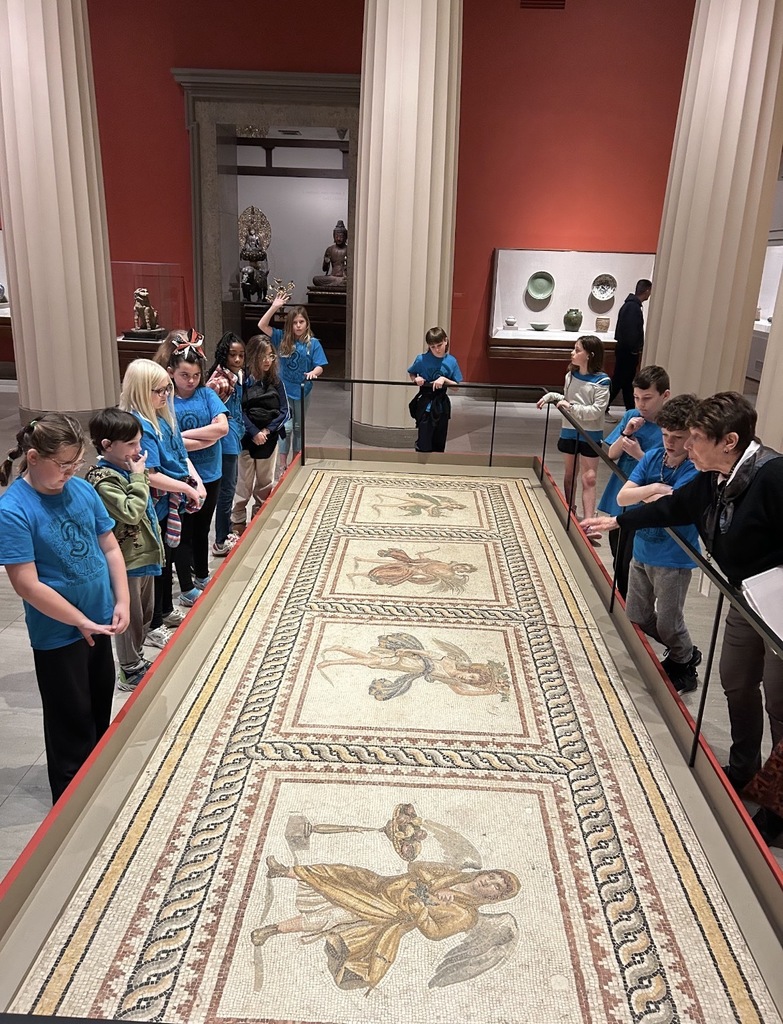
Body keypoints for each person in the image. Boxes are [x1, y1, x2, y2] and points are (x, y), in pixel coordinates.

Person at [583, 392, 783, 843]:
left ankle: (778, 804)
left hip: (779, 609)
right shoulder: (713, 478)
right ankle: (744, 768)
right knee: (735, 680)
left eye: (696, 438)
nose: (687, 446)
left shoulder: (773, 476)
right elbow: (672, 507)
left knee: (780, 702)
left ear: (729, 441)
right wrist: (618, 522)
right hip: (746, 599)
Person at [0, 414, 130, 802]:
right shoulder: (13, 509)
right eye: (63, 465)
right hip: (58, 634)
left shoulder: (81, 490)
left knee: (98, 708)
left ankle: (95, 789)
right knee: (70, 722)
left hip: (98, 622)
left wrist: (122, 599)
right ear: (34, 458)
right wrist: (79, 620)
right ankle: (71, 805)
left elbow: (109, 546)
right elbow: (27, 584)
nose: (71, 472)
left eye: (76, 463)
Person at [250, 855, 520, 992]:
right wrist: (433, 887)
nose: (489, 882)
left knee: (336, 913)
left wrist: (421, 906)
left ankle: (271, 930)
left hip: (388, 911)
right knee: (342, 873)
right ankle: (285, 871)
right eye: (493, 876)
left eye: (496, 887)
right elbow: (416, 866)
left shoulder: (466, 914)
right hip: (383, 885)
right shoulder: (452, 874)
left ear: (494, 898)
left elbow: (434, 932)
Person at [615, 394, 702, 692]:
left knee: (668, 621)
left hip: (673, 558)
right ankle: (686, 651)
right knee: (637, 614)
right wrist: (654, 488)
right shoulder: (653, 457)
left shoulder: (694, 469)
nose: (670, 442)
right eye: (666, 434)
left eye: (678, 437)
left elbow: (674, 505)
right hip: (642, 550)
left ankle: (683, 663)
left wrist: (649, 496)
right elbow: (623, 497)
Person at [119, 359, 204, 645]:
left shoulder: (163, 417)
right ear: (141, 390)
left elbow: (180, 454)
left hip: (171, 501)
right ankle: (154, 622)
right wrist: (186, 487)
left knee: (167, 563)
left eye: (168, 389)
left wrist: (194, 481)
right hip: (153, 506)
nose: (166, 395)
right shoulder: (139, 425)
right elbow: (151, 475)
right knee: (156, 566)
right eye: (159, 391)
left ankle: (165, 609)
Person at [86, 408, 165, 692]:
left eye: (139, 442)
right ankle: (129, 668)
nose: (138, 449)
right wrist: (140, 478)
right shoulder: (104, 479)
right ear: (107, 445)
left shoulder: (126, 471)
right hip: (126, 559)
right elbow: (131, 512)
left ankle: (137, 658)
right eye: (131, 444)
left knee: (144, 614)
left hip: (143, 554)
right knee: (128, 617)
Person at [158, 332, 229, 601]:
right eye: (185, 375)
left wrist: (181, 438)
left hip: (211, 472)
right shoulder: (166, 401)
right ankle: (187, 587)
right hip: (182, 475)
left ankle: (202, 574)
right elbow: (167, 441)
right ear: (171, 373)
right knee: (183, 532)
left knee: (202, 529)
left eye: (196, 375)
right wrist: (204, 437)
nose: (191, 381)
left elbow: (221, 428)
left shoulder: (207, 394)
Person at [597, 364, 671, 599]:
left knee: (631, 560)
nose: (641, 404)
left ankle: (630, 604)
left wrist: (640, 454)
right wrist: (626, 433)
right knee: (617, 553)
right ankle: (622, 599)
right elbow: (612, 453)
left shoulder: (669, 430)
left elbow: (665, 472)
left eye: (647, 398)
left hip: (643, 500)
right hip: (621, 492)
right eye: (637, 398)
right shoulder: (631, 416)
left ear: (664, 395)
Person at [536, 335, 610, 536]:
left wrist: (571, 407)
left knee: (589, 477)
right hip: (569, 430)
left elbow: (596, 411)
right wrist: (553, 397)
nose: (572, 353)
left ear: (590, 355)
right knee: (569, 475)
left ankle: (589, 522)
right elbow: (568, 399)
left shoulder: (602, 381)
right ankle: (570, 511)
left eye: (577, 350)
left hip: (590, 433)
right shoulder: (571, 375)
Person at [257, 295, 327, 472]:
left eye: (301, 322)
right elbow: (262, 325)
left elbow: (320, 365)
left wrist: (314, 372)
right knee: (286, 427)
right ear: (290, 324)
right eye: (295, 322)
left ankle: (296, 461)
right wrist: (274, 307)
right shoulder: (281, 338)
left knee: (298, 427)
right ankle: (283, 465)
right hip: (284, 390)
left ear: (307, 323)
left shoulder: (313, 344)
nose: (298, 325)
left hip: (303, 390)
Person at [231, 336, 289, 535]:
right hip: (246, 439)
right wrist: (254, 432)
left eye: (271, 356)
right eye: (263, 356)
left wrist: (267, 431)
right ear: (254, 355)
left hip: (268, 440)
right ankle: (238, 519)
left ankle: (258, 517)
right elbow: (237, 410)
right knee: (243, 483)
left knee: (265, 483)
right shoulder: (242, 380)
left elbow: (285, 411)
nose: (267, 360)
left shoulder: (276, 381)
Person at [205, 332, 246, 557]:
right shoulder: (219, 381)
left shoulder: (234, 376)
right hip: (225, 440)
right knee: (226, 490)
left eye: (241, 355)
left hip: (233, 436)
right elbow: (207, 409)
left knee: (229, 488)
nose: (237, 359)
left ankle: (226, 532)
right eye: (232, 355)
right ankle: (220, 539)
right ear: (224, 355)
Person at [408, 327, 463, 453]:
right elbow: (412, 372)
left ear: (445, 341)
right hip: (426, 405)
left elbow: (456, 387)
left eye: (439, 345)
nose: (437, 349)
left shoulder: (451, 361)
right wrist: (416, 379)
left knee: (439, 443)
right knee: (424, 443)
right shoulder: (421, 359)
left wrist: (444, 379)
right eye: (433, 347)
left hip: (442, 406)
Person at [607, 279, 652, 415]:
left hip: (625, 350)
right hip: (627, 352)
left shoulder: (630, 306)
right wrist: (634, 350)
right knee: (619, 381)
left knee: (627, 382)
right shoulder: (633, 308)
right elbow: (631, 332)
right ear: (647, 291)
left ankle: (631, 410)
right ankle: (603, 407)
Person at [312, 219, 348, 290]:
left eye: (341, 236)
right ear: (334, 236)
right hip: (332, 277)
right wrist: (326, 262)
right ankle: (339, 282)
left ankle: (340, 282)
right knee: (315, 279)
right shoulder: (330, 249)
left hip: (343, 277)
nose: (338, 238)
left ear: (345, 237)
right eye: (336, 236)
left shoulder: (349, 249)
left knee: (348, 281)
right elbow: (324, 269)